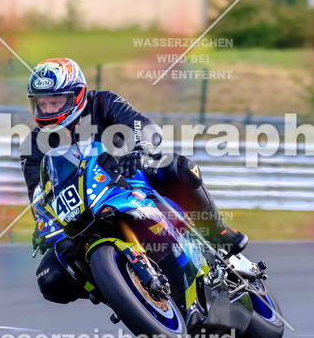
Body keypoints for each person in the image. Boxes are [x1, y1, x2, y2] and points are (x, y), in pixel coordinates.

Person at [19, 58, 247, 304]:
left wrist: (136, 150)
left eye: (56, 101)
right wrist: (48, 230)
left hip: (128, 180)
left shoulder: (103, 102)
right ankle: (118, 288)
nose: (49, 110)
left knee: (179, 167)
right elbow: (39, 194)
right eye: (42, 103)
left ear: (77, 95)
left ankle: (217, 230)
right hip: (82, 214)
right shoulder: (33, 146)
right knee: (50, 279)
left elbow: (144, 127)